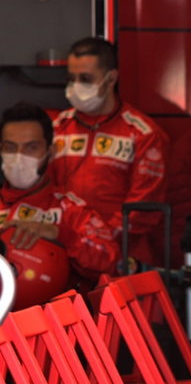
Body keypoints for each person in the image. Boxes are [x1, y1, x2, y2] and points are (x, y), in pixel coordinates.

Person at [50, 36, 167, 262]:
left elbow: (143, 209)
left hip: (122, 256)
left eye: (85, 78)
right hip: (64, 250)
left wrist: (99, 241)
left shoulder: (143, 133)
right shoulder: (56, 129)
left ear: (111, 78)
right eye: (70, 78)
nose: (75, 86)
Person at [1, 101, 118, 302]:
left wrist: (62, 235)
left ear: (51, 151)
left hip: (52, 325)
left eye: (31, 147)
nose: (19, 157)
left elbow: (110, 260)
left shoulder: (72, 210)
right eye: (10, 147)